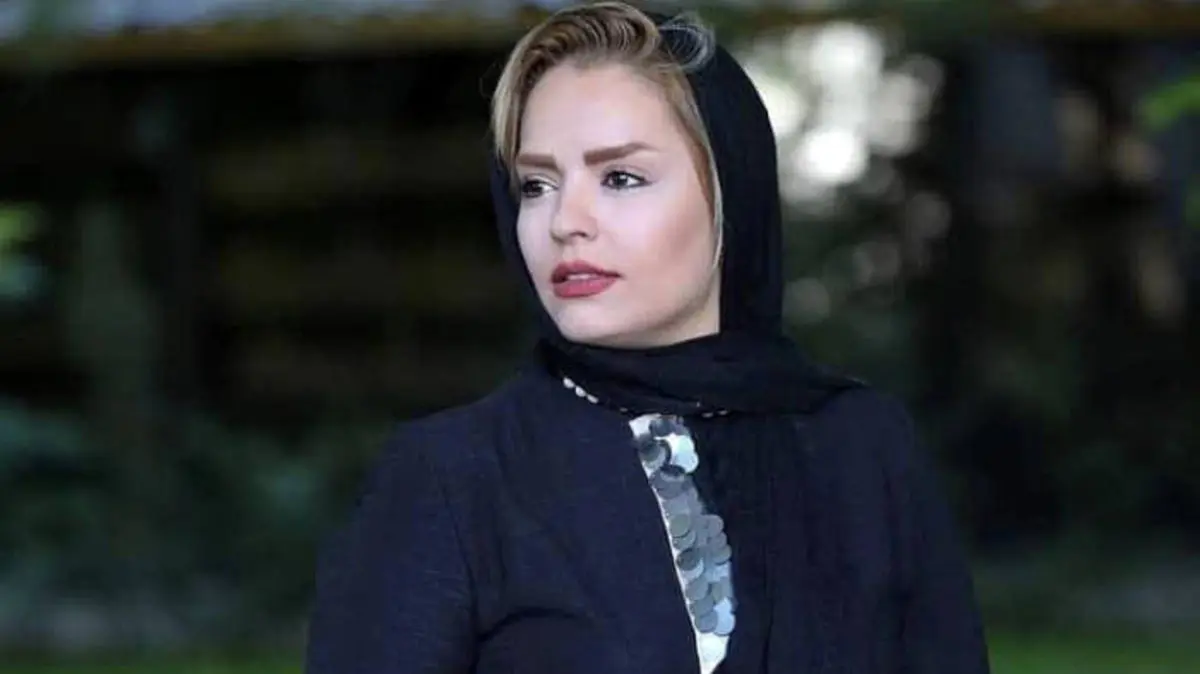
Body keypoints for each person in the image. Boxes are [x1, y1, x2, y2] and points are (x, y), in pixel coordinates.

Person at [304, 2, 990, 673]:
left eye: (621, 177)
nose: (565, 220)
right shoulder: (454, 478)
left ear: (730, 190)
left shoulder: (862, 448)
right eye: (536, 184)